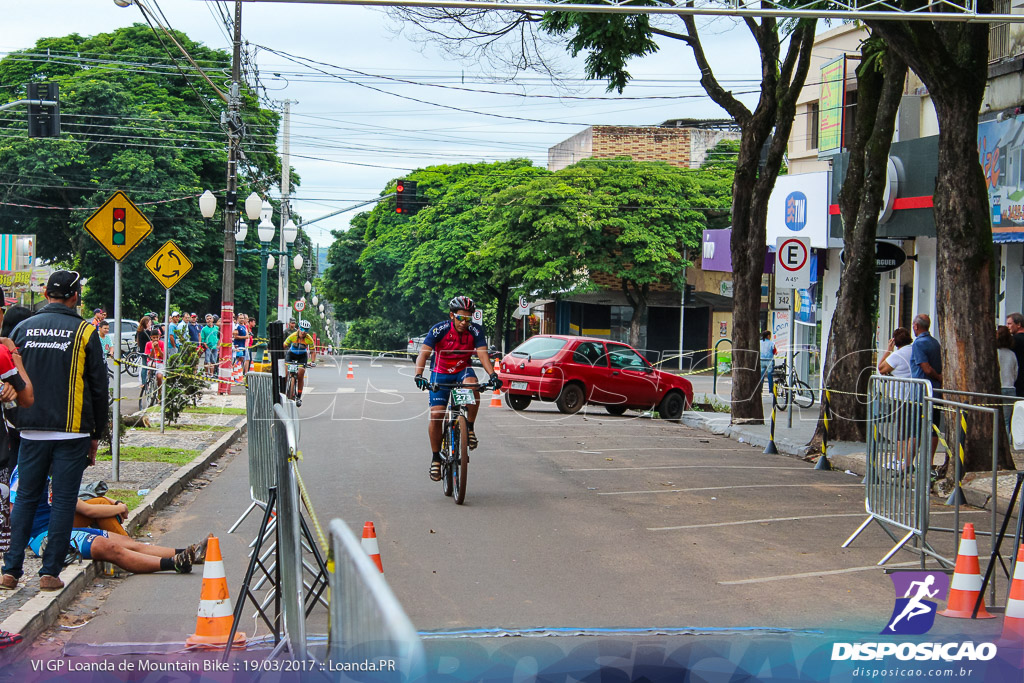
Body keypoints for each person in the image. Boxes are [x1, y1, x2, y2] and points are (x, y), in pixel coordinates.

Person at [1, 270, 108, 592]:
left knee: (27, 500)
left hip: (30, 428)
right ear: (75, 296)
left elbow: (9, 375)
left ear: (46, 292)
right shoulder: (84, 333)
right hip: (72, 430)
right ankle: (50, 572)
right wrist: (96, 434)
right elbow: (99, 388)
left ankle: (11, 569)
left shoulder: (21, 328)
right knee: (62, 501)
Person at [10, 466, 207, 575]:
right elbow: (14, 513)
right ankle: (172, 563)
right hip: (42, 536)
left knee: (127, 543)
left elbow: (79, 498)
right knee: (109, 548)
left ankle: (189, 553)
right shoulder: (25, 472)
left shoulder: (57, 470)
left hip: (63, 528)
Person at [413, 296, 501, 482]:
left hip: (462, 370)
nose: (465, 322)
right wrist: (419, 375)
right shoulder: (440, 329)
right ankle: (436, 457)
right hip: (440, 372)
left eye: (468, 318)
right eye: (461, 318)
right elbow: (424, 353)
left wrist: (493, 375)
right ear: (452, 315)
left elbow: (483, 354)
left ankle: (469, 427)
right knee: (437, 414)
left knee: (473, 385)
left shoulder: (475, 331)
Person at [911, 314, 943, 462]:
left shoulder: (918, 343)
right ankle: (929, 460)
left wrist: (937, 376)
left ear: (916, 326)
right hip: (936, 392)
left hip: (921, 392)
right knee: (933, 427)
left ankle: (909, 462)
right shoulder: (935, 342)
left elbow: (926, 368)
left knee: (915, 429)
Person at [283, 320, 316, 406]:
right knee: (285, 373)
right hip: (291, 354)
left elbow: (313, 351)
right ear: (298, 328)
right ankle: (283, 391)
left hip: (302, 356)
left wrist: (313, 362)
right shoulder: (293, 336)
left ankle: (299, 396)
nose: (303, 331)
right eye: (302, 329)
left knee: (301, 375)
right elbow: (284, 345)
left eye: (306, 330)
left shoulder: (309, 339)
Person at [998, 325, 1018, 435]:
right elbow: (1015, 373)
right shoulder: (1012, 354)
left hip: (998, 388)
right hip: (1010, 389)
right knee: (1006, 421)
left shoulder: (994, 353)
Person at [1006, 313, 1024, 397]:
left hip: (1017, 380)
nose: (1007, 326)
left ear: (1018, 324)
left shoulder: (1013, 341)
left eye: (1009, 324)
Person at [200, 314, 219, 378]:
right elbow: (202, 338)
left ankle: (211, 374)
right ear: (206, 320)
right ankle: (206, 373)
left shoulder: (216, 328)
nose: (209, 320)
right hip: (208, 346)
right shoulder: (204, 329)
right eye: (207, 319)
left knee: (213, 360)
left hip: (215, 346)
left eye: (210, 318)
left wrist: (218, 345)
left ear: (213, 319)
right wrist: (205, 345)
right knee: (207, 360)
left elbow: (218, 337)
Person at [758, 330, 776, 397]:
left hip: (761, 360)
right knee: (770, 377)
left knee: (761, 376)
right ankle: (771, 391)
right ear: (768, 336)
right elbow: (775, 352)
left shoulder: (759, 342)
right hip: (769, 361)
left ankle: (760, 390)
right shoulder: (772, 343)